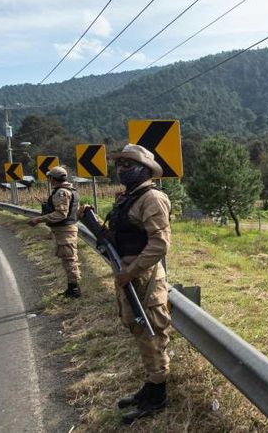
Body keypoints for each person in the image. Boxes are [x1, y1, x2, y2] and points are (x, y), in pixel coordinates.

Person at [78, 144, 171, 425]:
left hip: (143, 278)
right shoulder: (128, 198)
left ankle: (159, 395)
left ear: (144, 169)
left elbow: (160, 244)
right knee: (139, 332)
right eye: (120, 165)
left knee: (152, 335)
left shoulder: (152, 198)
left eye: (129, 165)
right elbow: (117, 237)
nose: (122, 170)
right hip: (127, 275)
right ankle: (151, 386)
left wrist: (131, 272)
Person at [27, 166, 82, 298]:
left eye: (50, 177)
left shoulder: (61, 192)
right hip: (64, 230)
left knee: (69, 260)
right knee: (67, 259)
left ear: (53, 178)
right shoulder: (70, 190)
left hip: (65, 231)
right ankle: (72, 288)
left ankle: (74, 290)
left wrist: (39, 220)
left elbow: (61, 214)